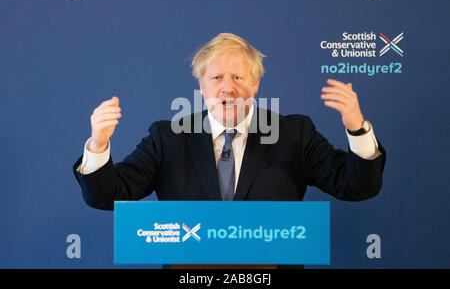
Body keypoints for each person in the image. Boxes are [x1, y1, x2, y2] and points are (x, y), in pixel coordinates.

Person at [73, 33, 386, 268]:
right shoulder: (167, 138)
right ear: (202, 86)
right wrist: (98, 143)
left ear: (255, 85)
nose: (228, 88)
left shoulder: (295, 133)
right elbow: (107, 196)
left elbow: (356, 187)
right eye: (217, 77)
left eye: (238, 77)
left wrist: (357, 128)